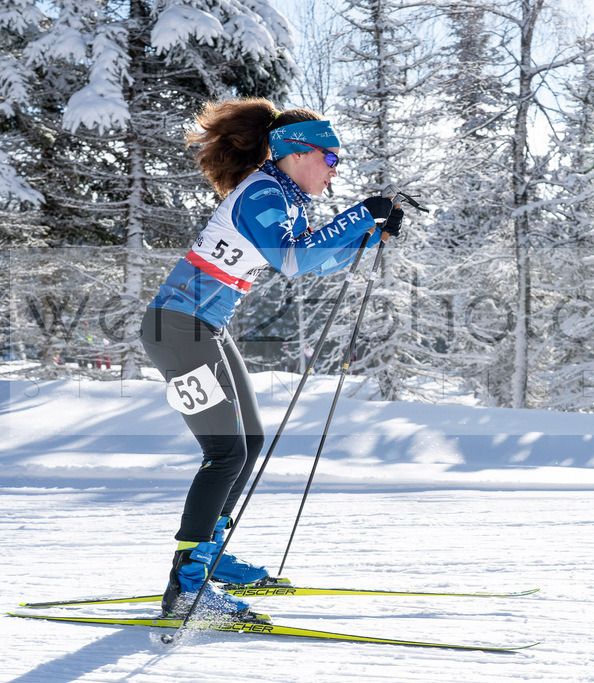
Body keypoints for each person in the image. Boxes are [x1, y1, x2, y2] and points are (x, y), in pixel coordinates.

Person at [139, 98, 403, 621]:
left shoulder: (282, 195)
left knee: (247, 443)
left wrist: (365, 234)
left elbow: (312, 259)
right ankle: (186, 589)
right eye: (331, 158)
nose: (335, 170)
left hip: (201, 328)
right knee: (226, 452)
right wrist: (359, 216)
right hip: (177, 329)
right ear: (297, 152)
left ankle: (207, 562)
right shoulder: (262, 192)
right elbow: (292, 259)